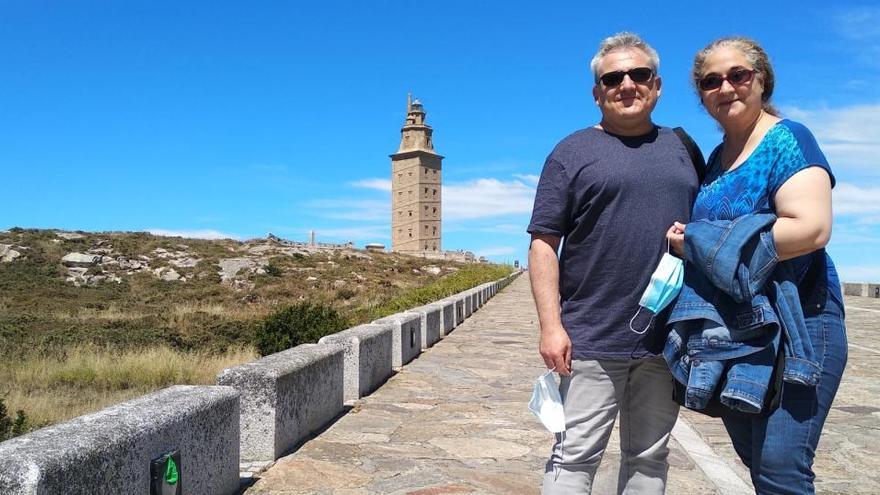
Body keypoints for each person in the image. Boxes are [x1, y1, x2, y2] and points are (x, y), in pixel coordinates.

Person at [666, 36, 847, 494]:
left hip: (801, 322)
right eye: (711, 81)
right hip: (738, 332)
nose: (725, 87)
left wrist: (700, 243)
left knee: (782, 470)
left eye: (737, 75)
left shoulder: (788, 138)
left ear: (761, 79)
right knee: (758, 463)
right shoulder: (716, 160)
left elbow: (810, 229)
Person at [527, 32, 702, 494]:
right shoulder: (571, 152)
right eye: (613, 77)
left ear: (657, 85)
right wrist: (551, 326)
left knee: (649, 457)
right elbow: (544, 242)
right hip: (591, 336)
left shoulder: (684, 147)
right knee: (574, 458)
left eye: (639, 74)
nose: (627, 84)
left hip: (667, 336)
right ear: (597, 91)